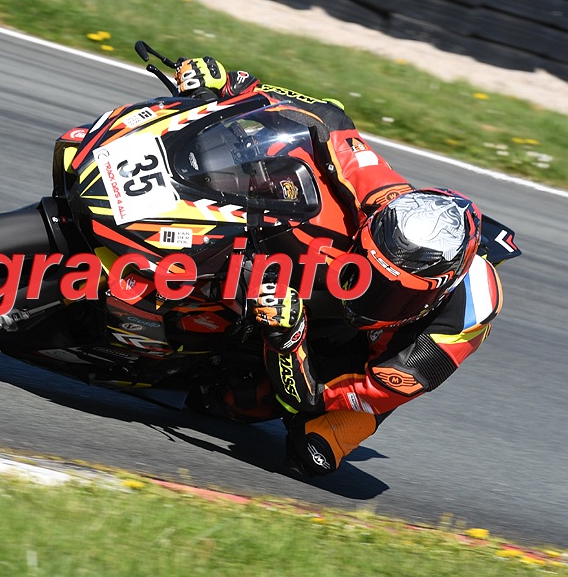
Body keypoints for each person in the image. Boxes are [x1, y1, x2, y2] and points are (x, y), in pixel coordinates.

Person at [175, 58, 505, 476]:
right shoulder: (385, 201)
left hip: (368, 363)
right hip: (341, 268)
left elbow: (317, 396)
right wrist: (236, 86)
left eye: (393, 294)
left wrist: (288, 339)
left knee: (303, 444)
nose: (372, 293)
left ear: (435, 294)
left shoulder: (428, 351)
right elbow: (330, 119)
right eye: (372, 271)